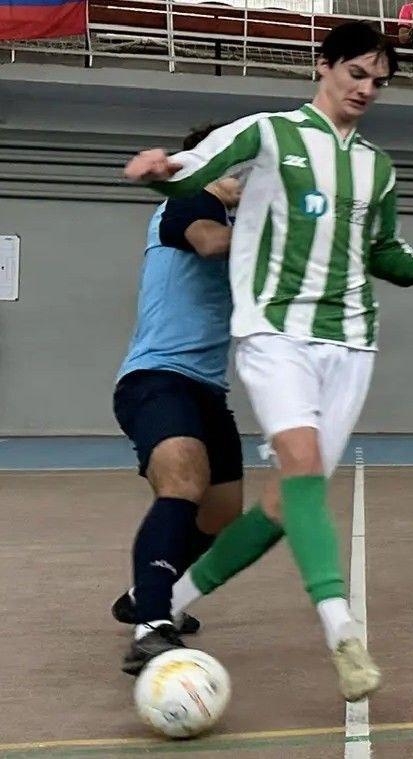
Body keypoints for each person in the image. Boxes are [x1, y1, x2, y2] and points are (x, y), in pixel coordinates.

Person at [122, 22, 413, 701]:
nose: (366, 89)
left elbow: (383, 250)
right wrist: (162, 171)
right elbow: (195, 171)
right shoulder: (270, 133)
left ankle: (162, 598)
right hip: (275, 333)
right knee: (304, 467)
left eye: (378, 82)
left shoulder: (377, 167)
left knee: (287, 502)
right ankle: (342, 633)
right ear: (324, 66)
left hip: (352, 343)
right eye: (356, 73)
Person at [113, 123, 245, 675]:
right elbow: (209, 243)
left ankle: (142, 592)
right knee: (184, 482)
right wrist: (279, 234)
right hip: (157, 379)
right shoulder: (189, 201)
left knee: (221, 515)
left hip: (207, 388)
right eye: (239, 165)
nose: (246, 177)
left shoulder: (231, 221)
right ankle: (151, 627)